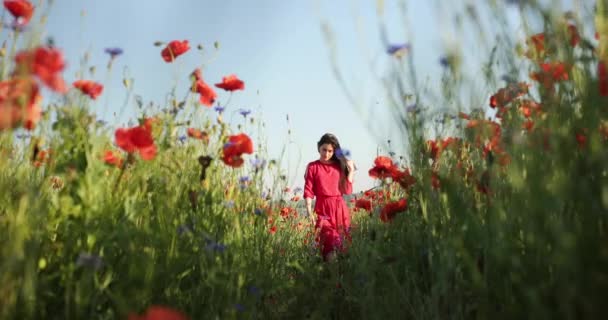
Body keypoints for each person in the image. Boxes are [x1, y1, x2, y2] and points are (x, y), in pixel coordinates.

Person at [303, 133, 355, 261]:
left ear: (334, 151)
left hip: (340, 210)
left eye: (330, 151)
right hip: (322, 211)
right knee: (330, 243)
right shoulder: (313, 167)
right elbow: (308, 191)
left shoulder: (339, 166)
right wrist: (309, 212)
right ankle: (333, 277)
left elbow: (347, 190)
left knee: (342, 249)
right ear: (318, 148)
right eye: (324, 150)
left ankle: (335, 278)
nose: (326, 154)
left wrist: (351, 171)